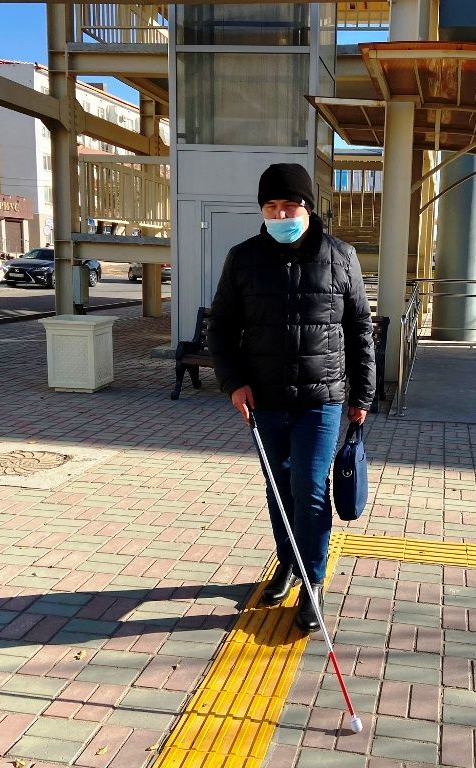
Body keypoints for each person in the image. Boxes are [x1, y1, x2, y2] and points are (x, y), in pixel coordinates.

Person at [207, 163, 376, 634]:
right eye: (270, 206)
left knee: (310, 487)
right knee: (279, 488)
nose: (281, 213)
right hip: (264, 401)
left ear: (307, 207)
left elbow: (360, 328)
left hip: (322, 400)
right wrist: (233, 381)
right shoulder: (243, 258)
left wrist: (363, 394)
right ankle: (287, 560)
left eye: (289, 204)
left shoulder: (340, 256)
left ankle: (313, 580)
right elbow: (220, 326)